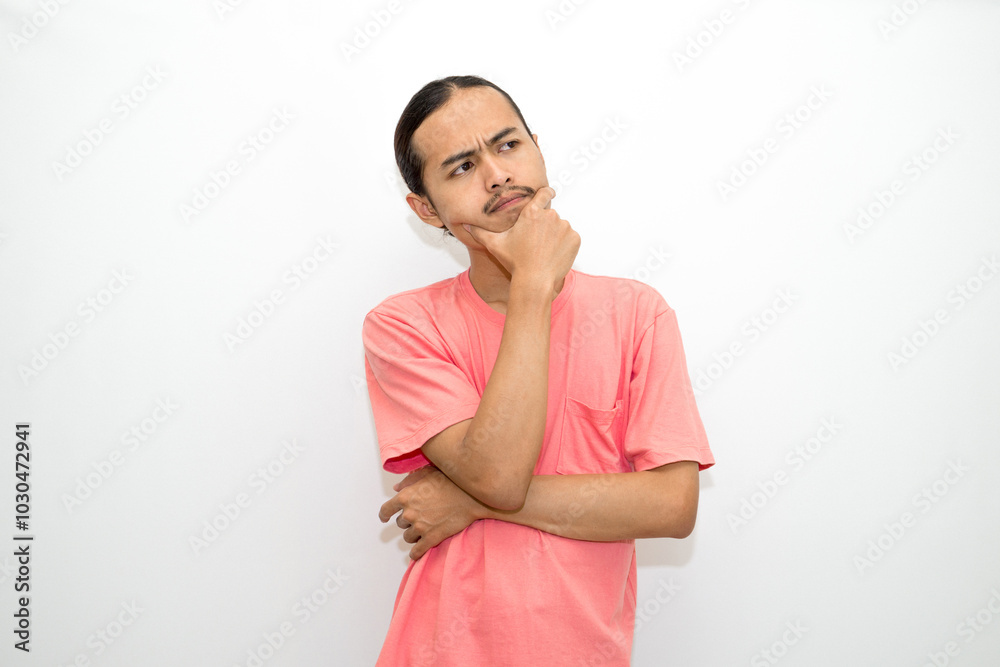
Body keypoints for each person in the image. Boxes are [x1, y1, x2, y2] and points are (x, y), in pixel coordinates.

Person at [362, 74, 715, 666]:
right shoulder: (403, 326)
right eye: (460, 167)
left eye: (507, 145)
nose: (498, 175)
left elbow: (672, 507)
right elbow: (499, 474)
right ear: (425, 210)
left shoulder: (637, 313)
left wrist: (467, 501)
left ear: (537, 147)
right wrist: (532, 287)